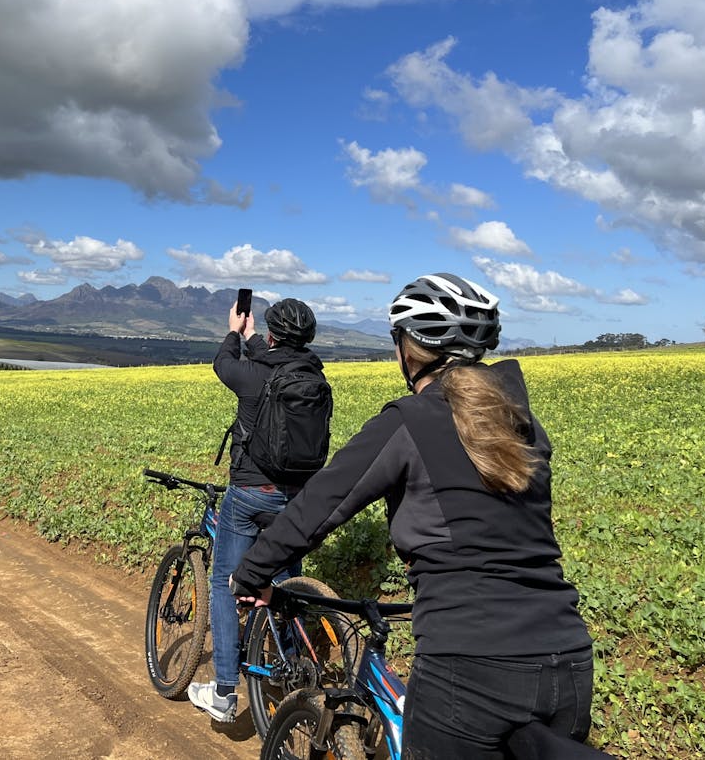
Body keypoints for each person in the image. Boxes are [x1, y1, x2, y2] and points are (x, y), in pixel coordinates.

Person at [232, 274, 596, 758]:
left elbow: (321, 504)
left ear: (409, 348)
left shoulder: (409, 422)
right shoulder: (521, 423)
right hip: (568, 660)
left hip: (470, 666)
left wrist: (253, 573)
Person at [187, 297, 324, 724]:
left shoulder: (250, 374)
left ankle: (225, 691)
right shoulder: (314, 377)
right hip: (297, 499)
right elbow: (273, 361)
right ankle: (288, 674)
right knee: (284, 584)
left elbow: (221, 362)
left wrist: (234, 331)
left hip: (251, 493)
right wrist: (253, 339)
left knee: (227, 582)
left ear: (271, 334)